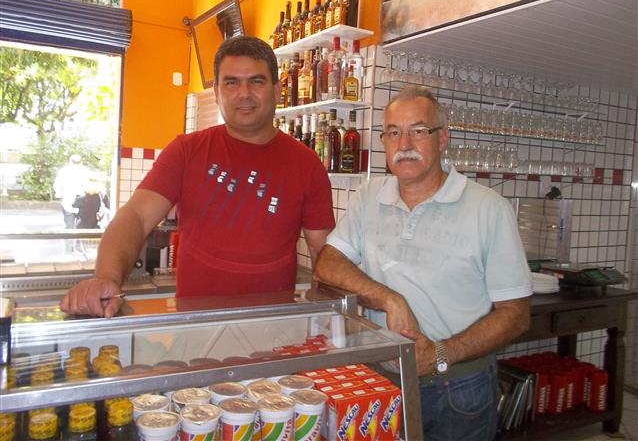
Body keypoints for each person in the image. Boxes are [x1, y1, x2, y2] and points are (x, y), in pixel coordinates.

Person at [61, 36, 335, 318]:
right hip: (195, 330)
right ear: (216, 91)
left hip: (275, 329)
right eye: (231, 82)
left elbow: (323, 253)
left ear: (277, 90)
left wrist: (331, 320)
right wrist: (106, 276)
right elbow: (136, 217)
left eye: (256, 81)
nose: (244, 93)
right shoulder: (186, 151)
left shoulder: (307, 164)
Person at [314, 86, 532, 440]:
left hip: (457, 387)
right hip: (380, 382)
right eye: (393, 133)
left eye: (418, 131)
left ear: (442, 138)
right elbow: (328, 262)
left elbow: (516, 314)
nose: (404, 144)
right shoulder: (368, 197)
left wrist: (442, 353)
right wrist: (389, 299)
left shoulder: (489, 209)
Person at [53, 154, 88, 229]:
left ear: (70, 162)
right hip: (83, 203)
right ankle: (80, 240)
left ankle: (69, 240)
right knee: (82, 227)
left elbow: (57, 186)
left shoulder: (63, 171)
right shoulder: (85, 172)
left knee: (69, 226)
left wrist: (59, 194)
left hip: (68, 202)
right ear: (81, 162)